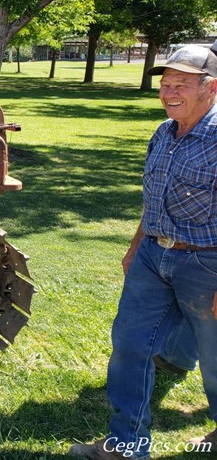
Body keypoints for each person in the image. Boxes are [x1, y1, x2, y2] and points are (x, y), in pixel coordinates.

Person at [69, 44, 217, 459]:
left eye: (182, 85)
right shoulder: (163, 133)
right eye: (166, 84)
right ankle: (127, 445)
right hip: (154, 257)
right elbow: (154, 198)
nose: (170, 92)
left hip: (206, 264)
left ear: (212, 88)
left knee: (214, 360)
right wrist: (136, 247)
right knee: (131, 346)